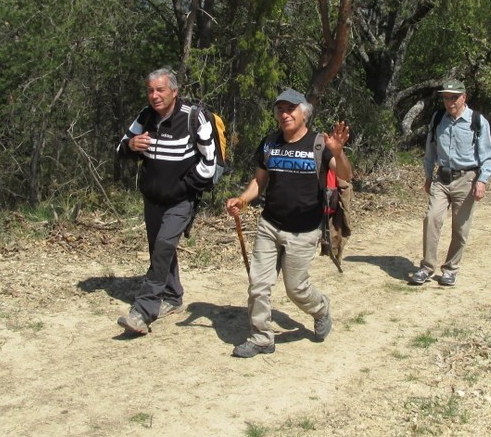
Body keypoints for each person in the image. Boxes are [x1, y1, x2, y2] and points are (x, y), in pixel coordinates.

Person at [225, 89, 351, 358]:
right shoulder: (270, 143)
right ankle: (261, 337)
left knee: (296, 288)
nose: (284, 114)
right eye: (280, 109)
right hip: (270, 225)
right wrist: (242, 200)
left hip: (303, 231)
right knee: (258, 284)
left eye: (290, 109)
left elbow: (345, 176)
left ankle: (320, 308)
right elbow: (259, 181)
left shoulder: (319, 144)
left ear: (304, 112)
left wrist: (338, 153)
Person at [116, 67, 218, 335]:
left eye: (160, 89)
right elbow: (120, 148)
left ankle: (143, 310)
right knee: (160, 250)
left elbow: (209, 164)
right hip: (152, 200)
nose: (155, 95)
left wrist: (183, 188)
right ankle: (172, 297)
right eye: (150, 90)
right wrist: (131, 145)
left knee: (163, 246)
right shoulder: (145, 116)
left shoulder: (193, 118)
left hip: (181, 201)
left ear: (174, 91)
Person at [409, 79, 491, 288]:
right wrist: (429, 176)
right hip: (442, 178)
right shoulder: (438, 118)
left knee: (460, 227)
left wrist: (482, 180)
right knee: (431, 219)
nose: (449, 102)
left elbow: (488, 155)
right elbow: (430, 151)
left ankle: (450, 270)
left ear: (463, 97)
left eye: (454, 98)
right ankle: (427, 267)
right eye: (446, 98)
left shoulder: (477, 121)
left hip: (467, 179)